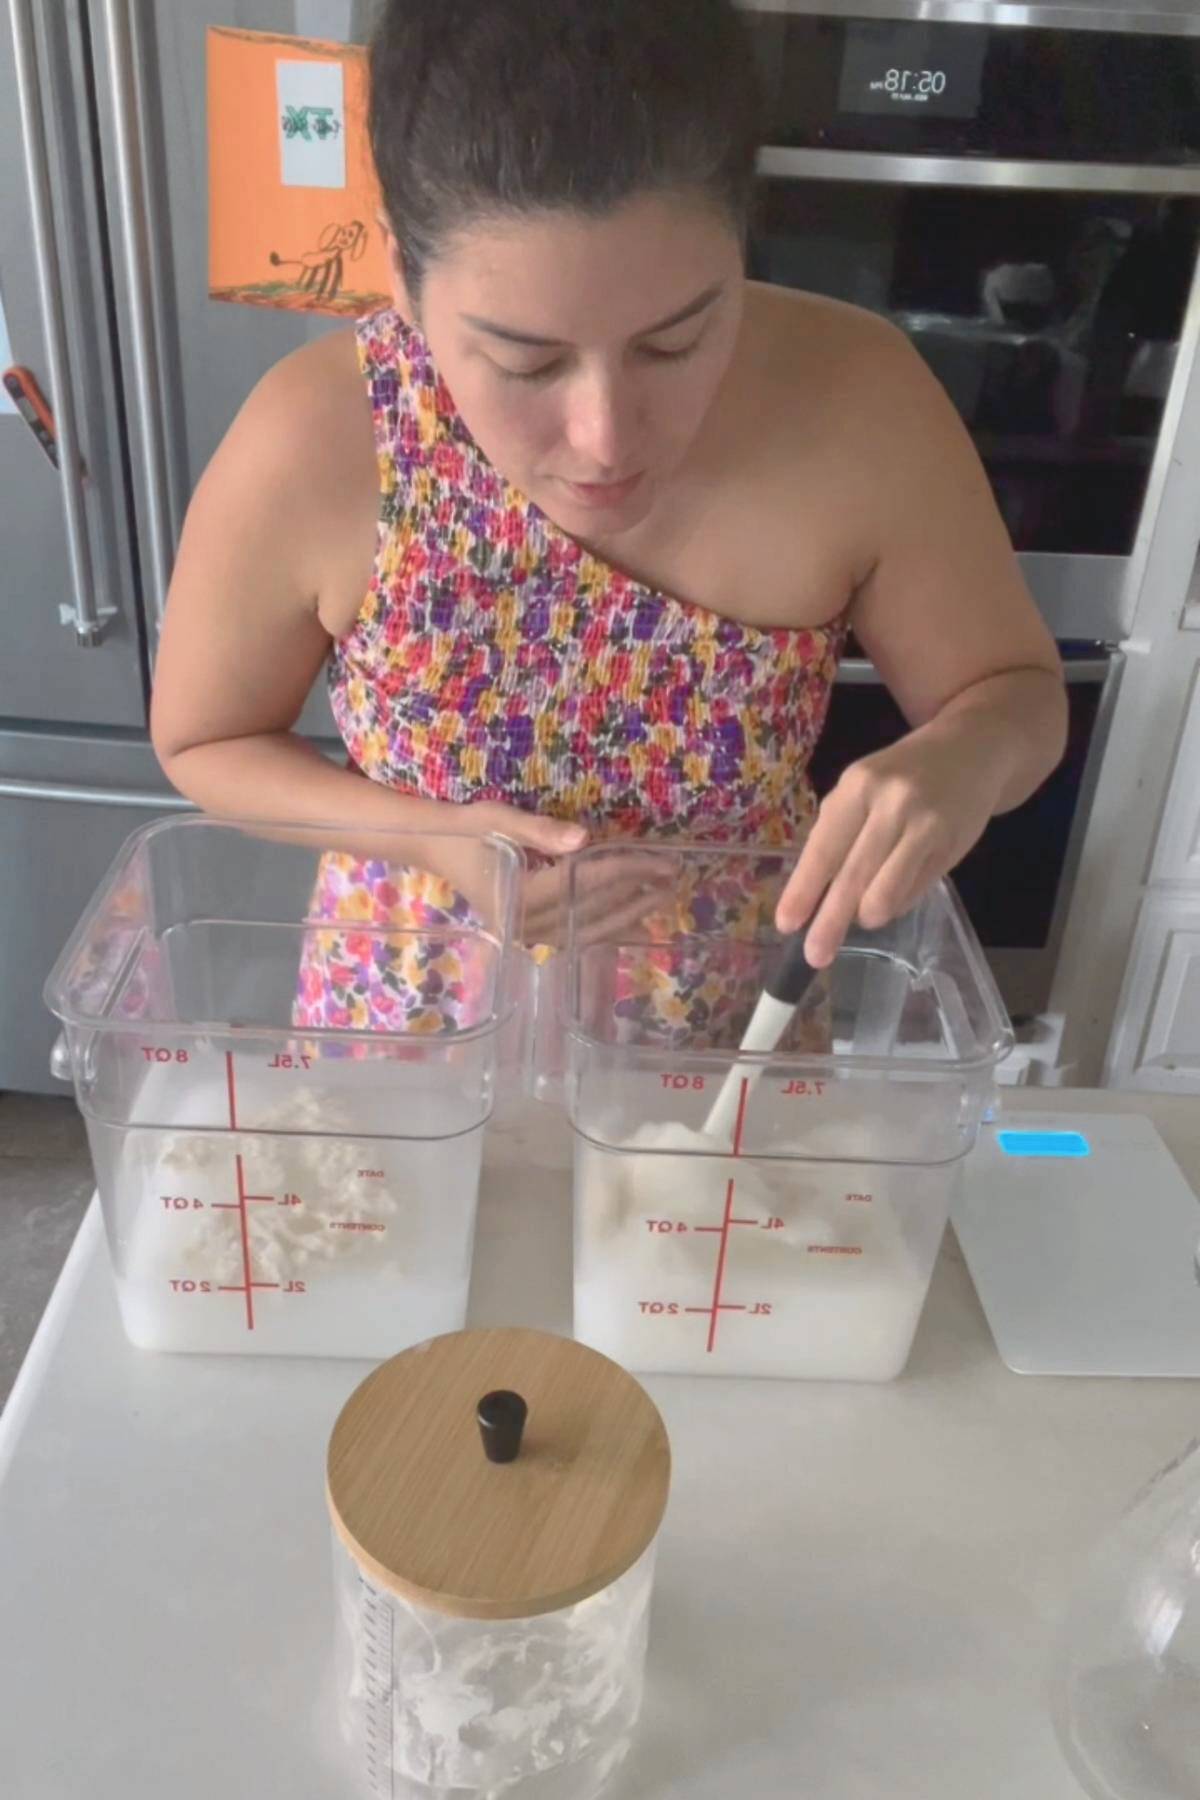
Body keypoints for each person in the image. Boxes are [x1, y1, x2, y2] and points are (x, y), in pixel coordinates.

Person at [150, 0, 1065, 1043]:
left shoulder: (862, 403)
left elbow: (1017, 699)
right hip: (408, 1041)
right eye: (526, 361)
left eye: (675, 344)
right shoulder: (314, 437)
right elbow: (206, 739)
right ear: (402, 271)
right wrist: (435, 841)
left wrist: (964, 759)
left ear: (739, 239)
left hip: (726, 1055)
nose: (605, 438)